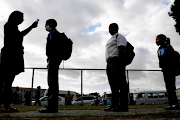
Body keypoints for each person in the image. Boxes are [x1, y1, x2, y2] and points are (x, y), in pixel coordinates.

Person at [0, 11, 38, 113]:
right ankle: (5, 106)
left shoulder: (11, 27)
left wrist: (31, 27)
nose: (22, 19)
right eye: (21, 17)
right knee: (7, 83)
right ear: (16, 17)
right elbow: (19, 36)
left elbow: (19, 35)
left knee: (6, 82)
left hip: (10, 57)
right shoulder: (9, 26)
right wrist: (31, 27)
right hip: (10, 58)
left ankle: (5, 106)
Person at [39, 19, 69, 113]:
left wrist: (53, 58)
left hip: (54, 59)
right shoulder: (52, 34)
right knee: (52, 82)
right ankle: (52, 106)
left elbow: (54, 48)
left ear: (51, 24)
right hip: (52, 59)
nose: (45, 26)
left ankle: (52, 107)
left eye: (46, 24)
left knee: (52, 83)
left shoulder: (55, 34)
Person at [104, 23, 128, 112]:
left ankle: (123, 106)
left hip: (116, 61)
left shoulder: (119, 36)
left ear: (117, 28)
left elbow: (121, 48)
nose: (110, 29)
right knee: (113, 85)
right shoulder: (111, 39)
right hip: (109, 63)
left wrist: (119, 60)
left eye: (112, 27)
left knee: (121, 84)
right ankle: (114, 105)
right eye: (109, 27)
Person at [156, 34, 179, 110]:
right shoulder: (158, 50)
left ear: (163, 39)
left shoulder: (168, 47)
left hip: (170, 69)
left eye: (158, 39)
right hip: (164, 70)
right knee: (168, 87)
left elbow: (173, 59)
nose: (157, 41)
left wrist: (175, 68)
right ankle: (171, 104)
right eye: (156, 39)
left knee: (171, 86)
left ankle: (175, 104)